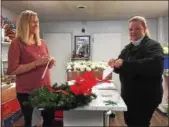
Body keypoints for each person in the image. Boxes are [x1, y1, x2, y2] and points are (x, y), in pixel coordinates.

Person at [108, 16, 164, 127]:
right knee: (130, 122)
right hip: (129, 95)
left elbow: (155, 65)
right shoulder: (128, 48)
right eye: (130, 29)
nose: (133, 32)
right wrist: (114, 64)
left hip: (146, 96)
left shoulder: (153, 45)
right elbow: (120, 67)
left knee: (139, 123)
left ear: (144, 28)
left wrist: (125, 63)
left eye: (137, 29)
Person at [7, 10, 56, 127]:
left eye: (37, 22)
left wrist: (50, 62)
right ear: (24, 24)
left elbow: (46, 66)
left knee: (49, 118)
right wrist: (36, 63)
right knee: (30, 122)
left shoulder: (42, 43)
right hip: (27, 92)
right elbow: (12, 70)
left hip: (45, 89)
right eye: (32, 22)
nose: (36, 24)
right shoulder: (16, 43)